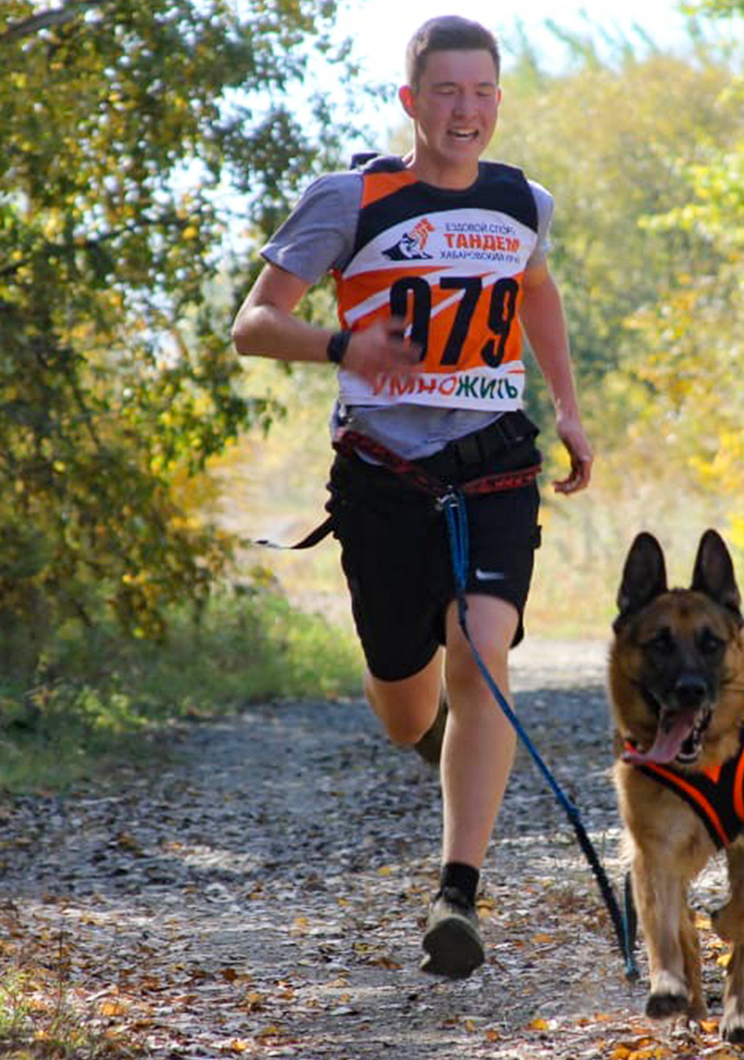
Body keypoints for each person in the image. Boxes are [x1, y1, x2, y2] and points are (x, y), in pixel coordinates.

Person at [230, 15, 593, 980]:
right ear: (410, 100)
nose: (465, 111)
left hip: (495, 464)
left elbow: (537, 291)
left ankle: (457, 893)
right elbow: (255, 324)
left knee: (482, 653)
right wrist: (349, 349)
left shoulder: (525, 201)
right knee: (404, 704)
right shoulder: (351, 199)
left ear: (499, 101)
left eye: (482, 93)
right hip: (384, 478)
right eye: (446, 92)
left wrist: (566, 407)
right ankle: (430, 729)